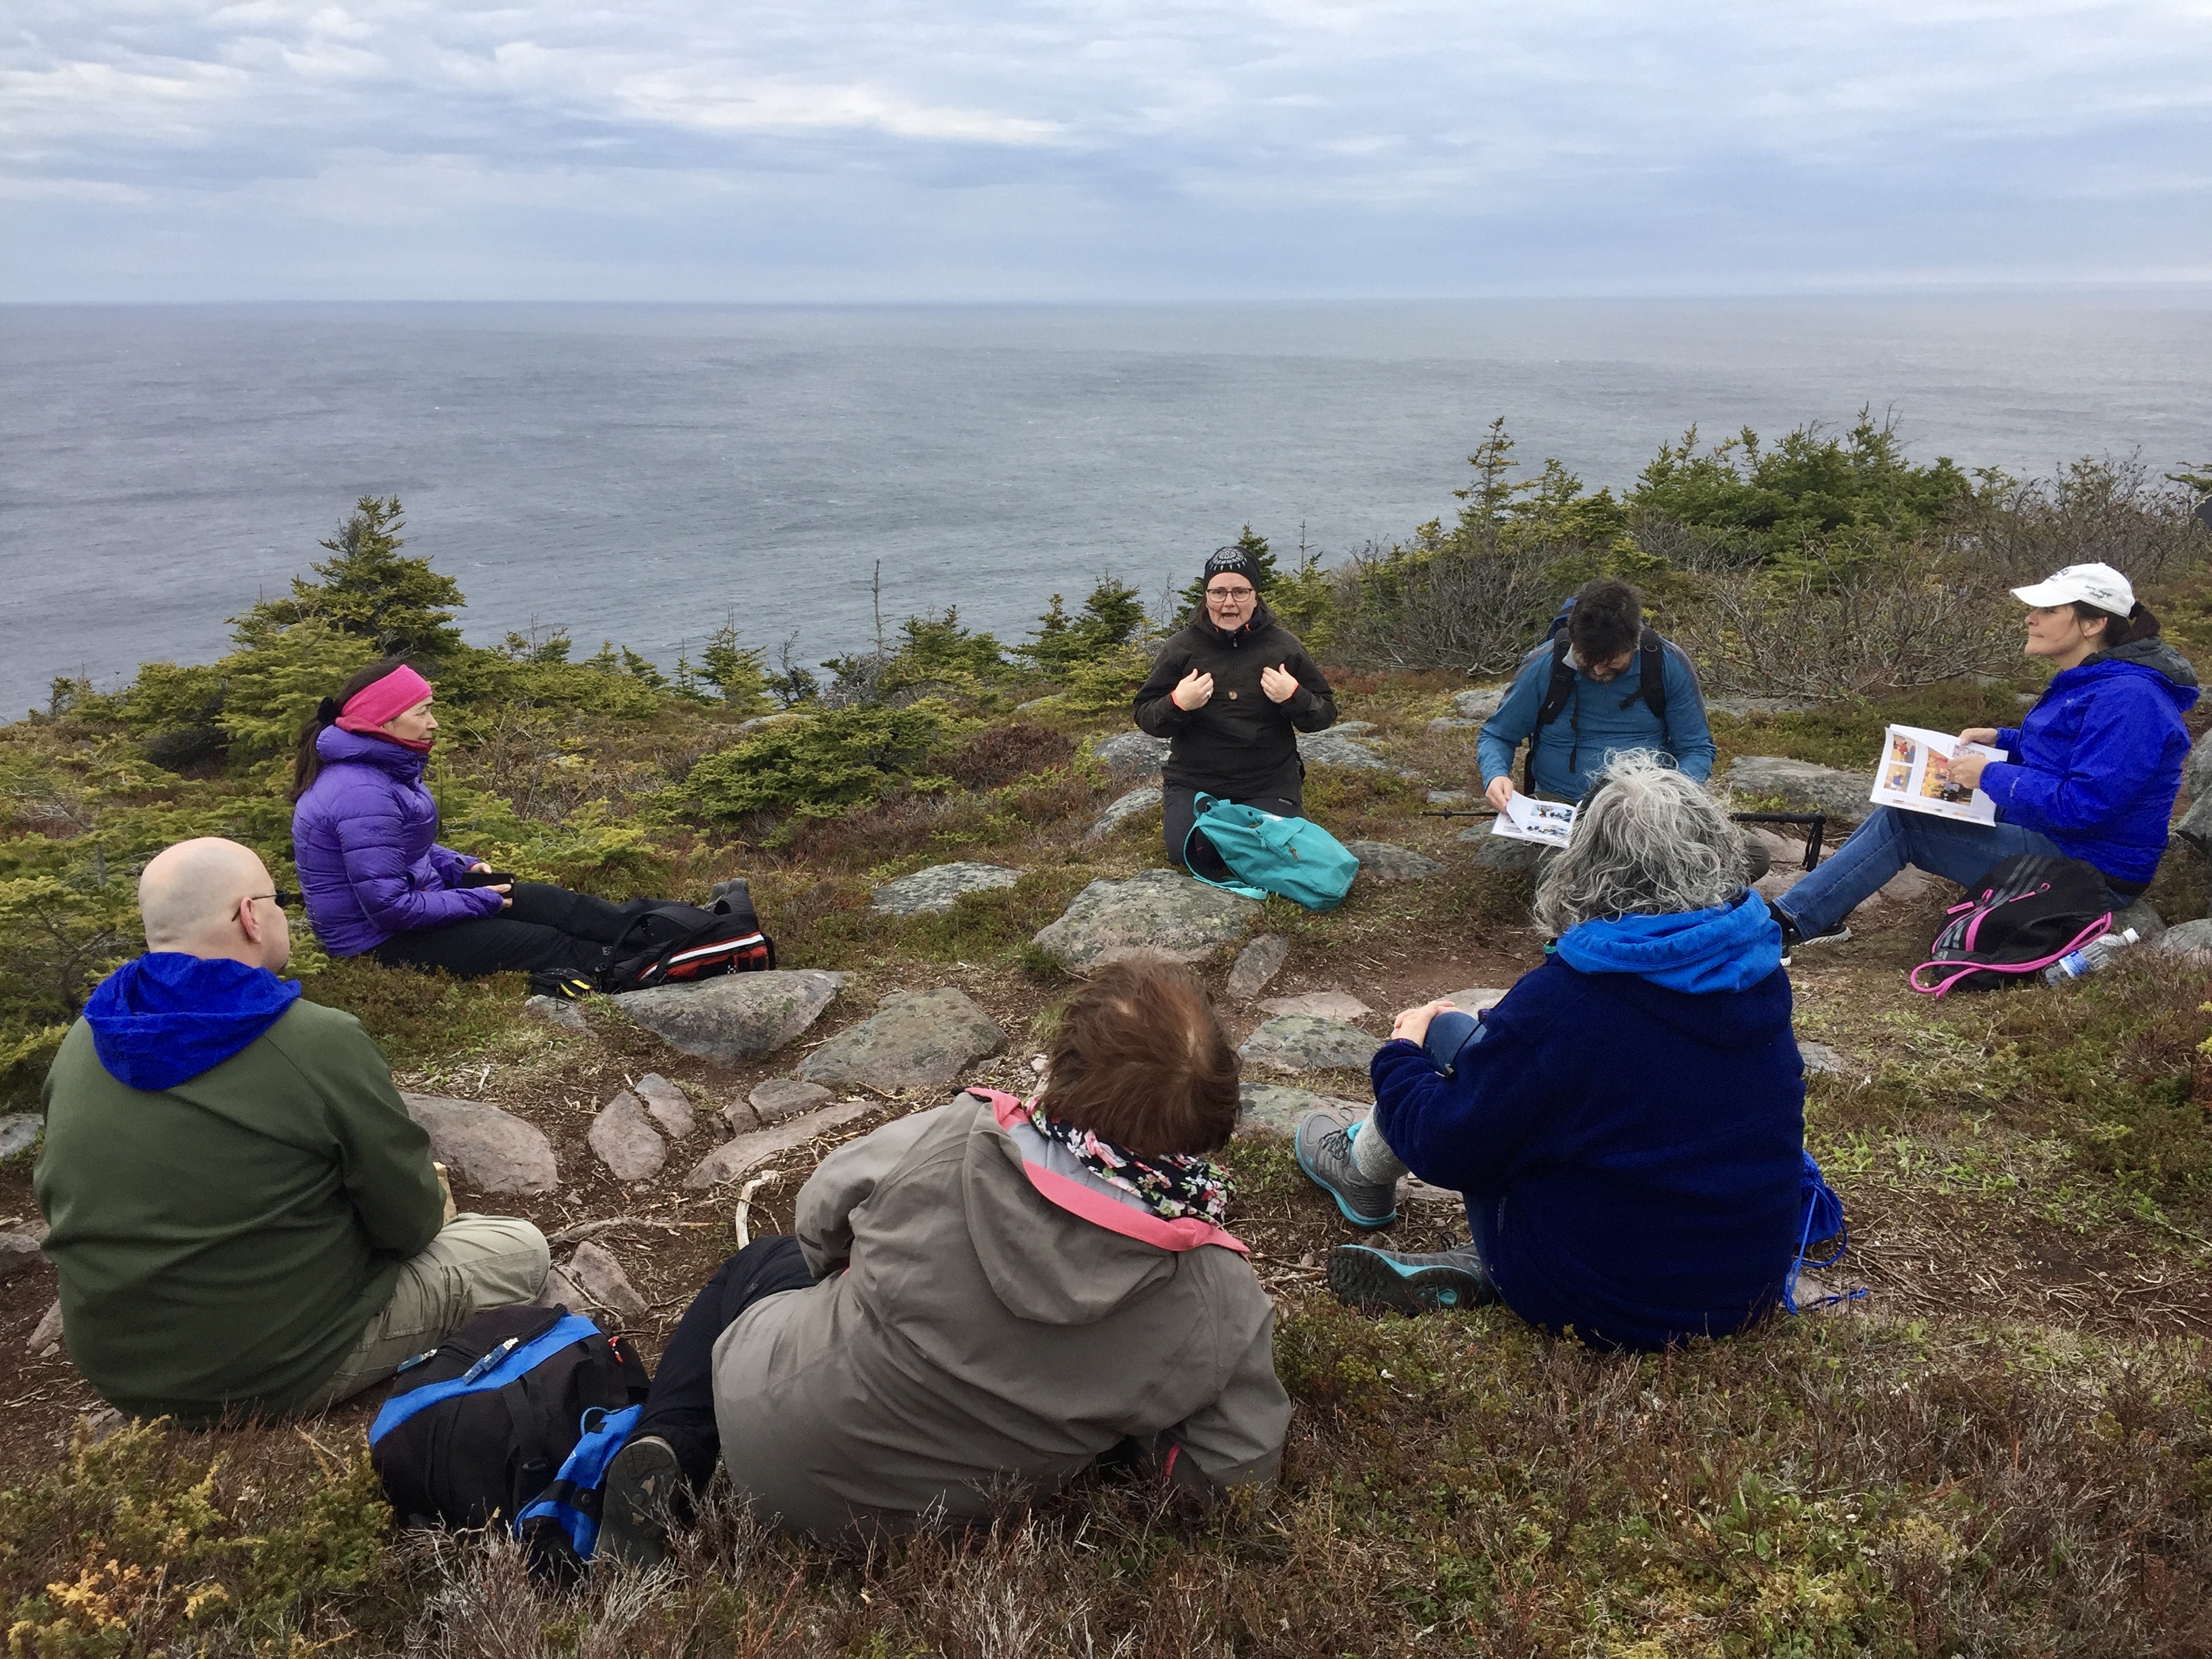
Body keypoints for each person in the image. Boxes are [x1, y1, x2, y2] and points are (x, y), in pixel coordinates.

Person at [595, 957, 1290, 1561]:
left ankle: (671, 1447)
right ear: (1217, 1115)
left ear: (1066, 1067)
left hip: (773, 1428)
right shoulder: (1215, 1290)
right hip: (948, 1524)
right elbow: (1233, 1476)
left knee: (758, 1267)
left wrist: (873, 1275)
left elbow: (819, 1219)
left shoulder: (963, 1135)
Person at [1294, 754, 1804, 1351]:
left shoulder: (1566, 1002)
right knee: (1486, 1049)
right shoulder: (1757, 970)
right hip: (1747, 1287)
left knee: (1448, 1044)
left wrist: (1400, 1053)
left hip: (1607, 1304)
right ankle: (1481, 1242)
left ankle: (1369, 1176)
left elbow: (1445, 1148)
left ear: (1587, 861)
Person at [36, 837, 549, 1423]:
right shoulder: (313, 1039)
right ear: (250, 916)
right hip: (276, 1367)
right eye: (277, 898)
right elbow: (408, 1224)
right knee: (518, 1249)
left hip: (118, 1370)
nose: (283, 911)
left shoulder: (85, 1039)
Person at [1771, 562, 2199, 949]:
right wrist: (2004, 740)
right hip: (2062, 840)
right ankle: (1813, 911)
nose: (2031, 618)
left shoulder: (2130, 697)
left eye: (2049, 611)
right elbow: (2072, 750)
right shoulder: (2101, 681)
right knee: (1908, 802)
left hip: (2094, 870)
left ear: (2094, 623)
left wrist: (1991, 775)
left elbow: (2088, 805)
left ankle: (1790, 923)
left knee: (1907, 822)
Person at [291, 657, 693, 994]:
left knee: (556, 904)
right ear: (383, 721)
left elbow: (400, 846)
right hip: (378, 941)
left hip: (420, 901)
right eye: (422, 711)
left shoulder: (382, 771)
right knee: (546, 943)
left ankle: (690, 928)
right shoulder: (361, 789)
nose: (434, 723)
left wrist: (456, 867)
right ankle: (674, 965)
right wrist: (478, 901)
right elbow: (389, 908)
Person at [1134, 544, 1337, 880]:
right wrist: (1178, 703)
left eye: (1240, 591)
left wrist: (1294, 697)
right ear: (1206, 596)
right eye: (1218, 592)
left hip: (1268, 782)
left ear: (1256, 595)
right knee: (1186, 853)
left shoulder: (1284, 647)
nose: (1229, 603)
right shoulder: (1181, 648)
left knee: (1267, 849)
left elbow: (1325, 713)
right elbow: (1145, 714)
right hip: (1195, 782)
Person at [1477, 579, 1717, 811]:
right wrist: (1496, 775)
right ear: (1573, 641)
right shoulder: (1544, 665)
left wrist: (1673, 797)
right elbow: (1498, 735)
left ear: (1635, 644)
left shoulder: (1667, 665)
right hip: (1561, 806)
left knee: (1748, 852)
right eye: (1587, 660)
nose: (1598, 670)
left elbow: (1696, 749)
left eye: (1611, 662)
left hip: (1645, 808)